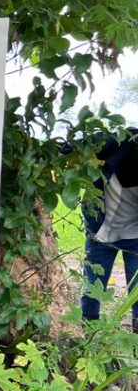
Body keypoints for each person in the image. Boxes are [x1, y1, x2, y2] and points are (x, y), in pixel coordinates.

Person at [78, 130, 138, 331]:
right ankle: (88, 337)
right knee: (92, 290)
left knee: (137, 295)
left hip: (135, 239)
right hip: (101, 236)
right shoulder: (109, 152)